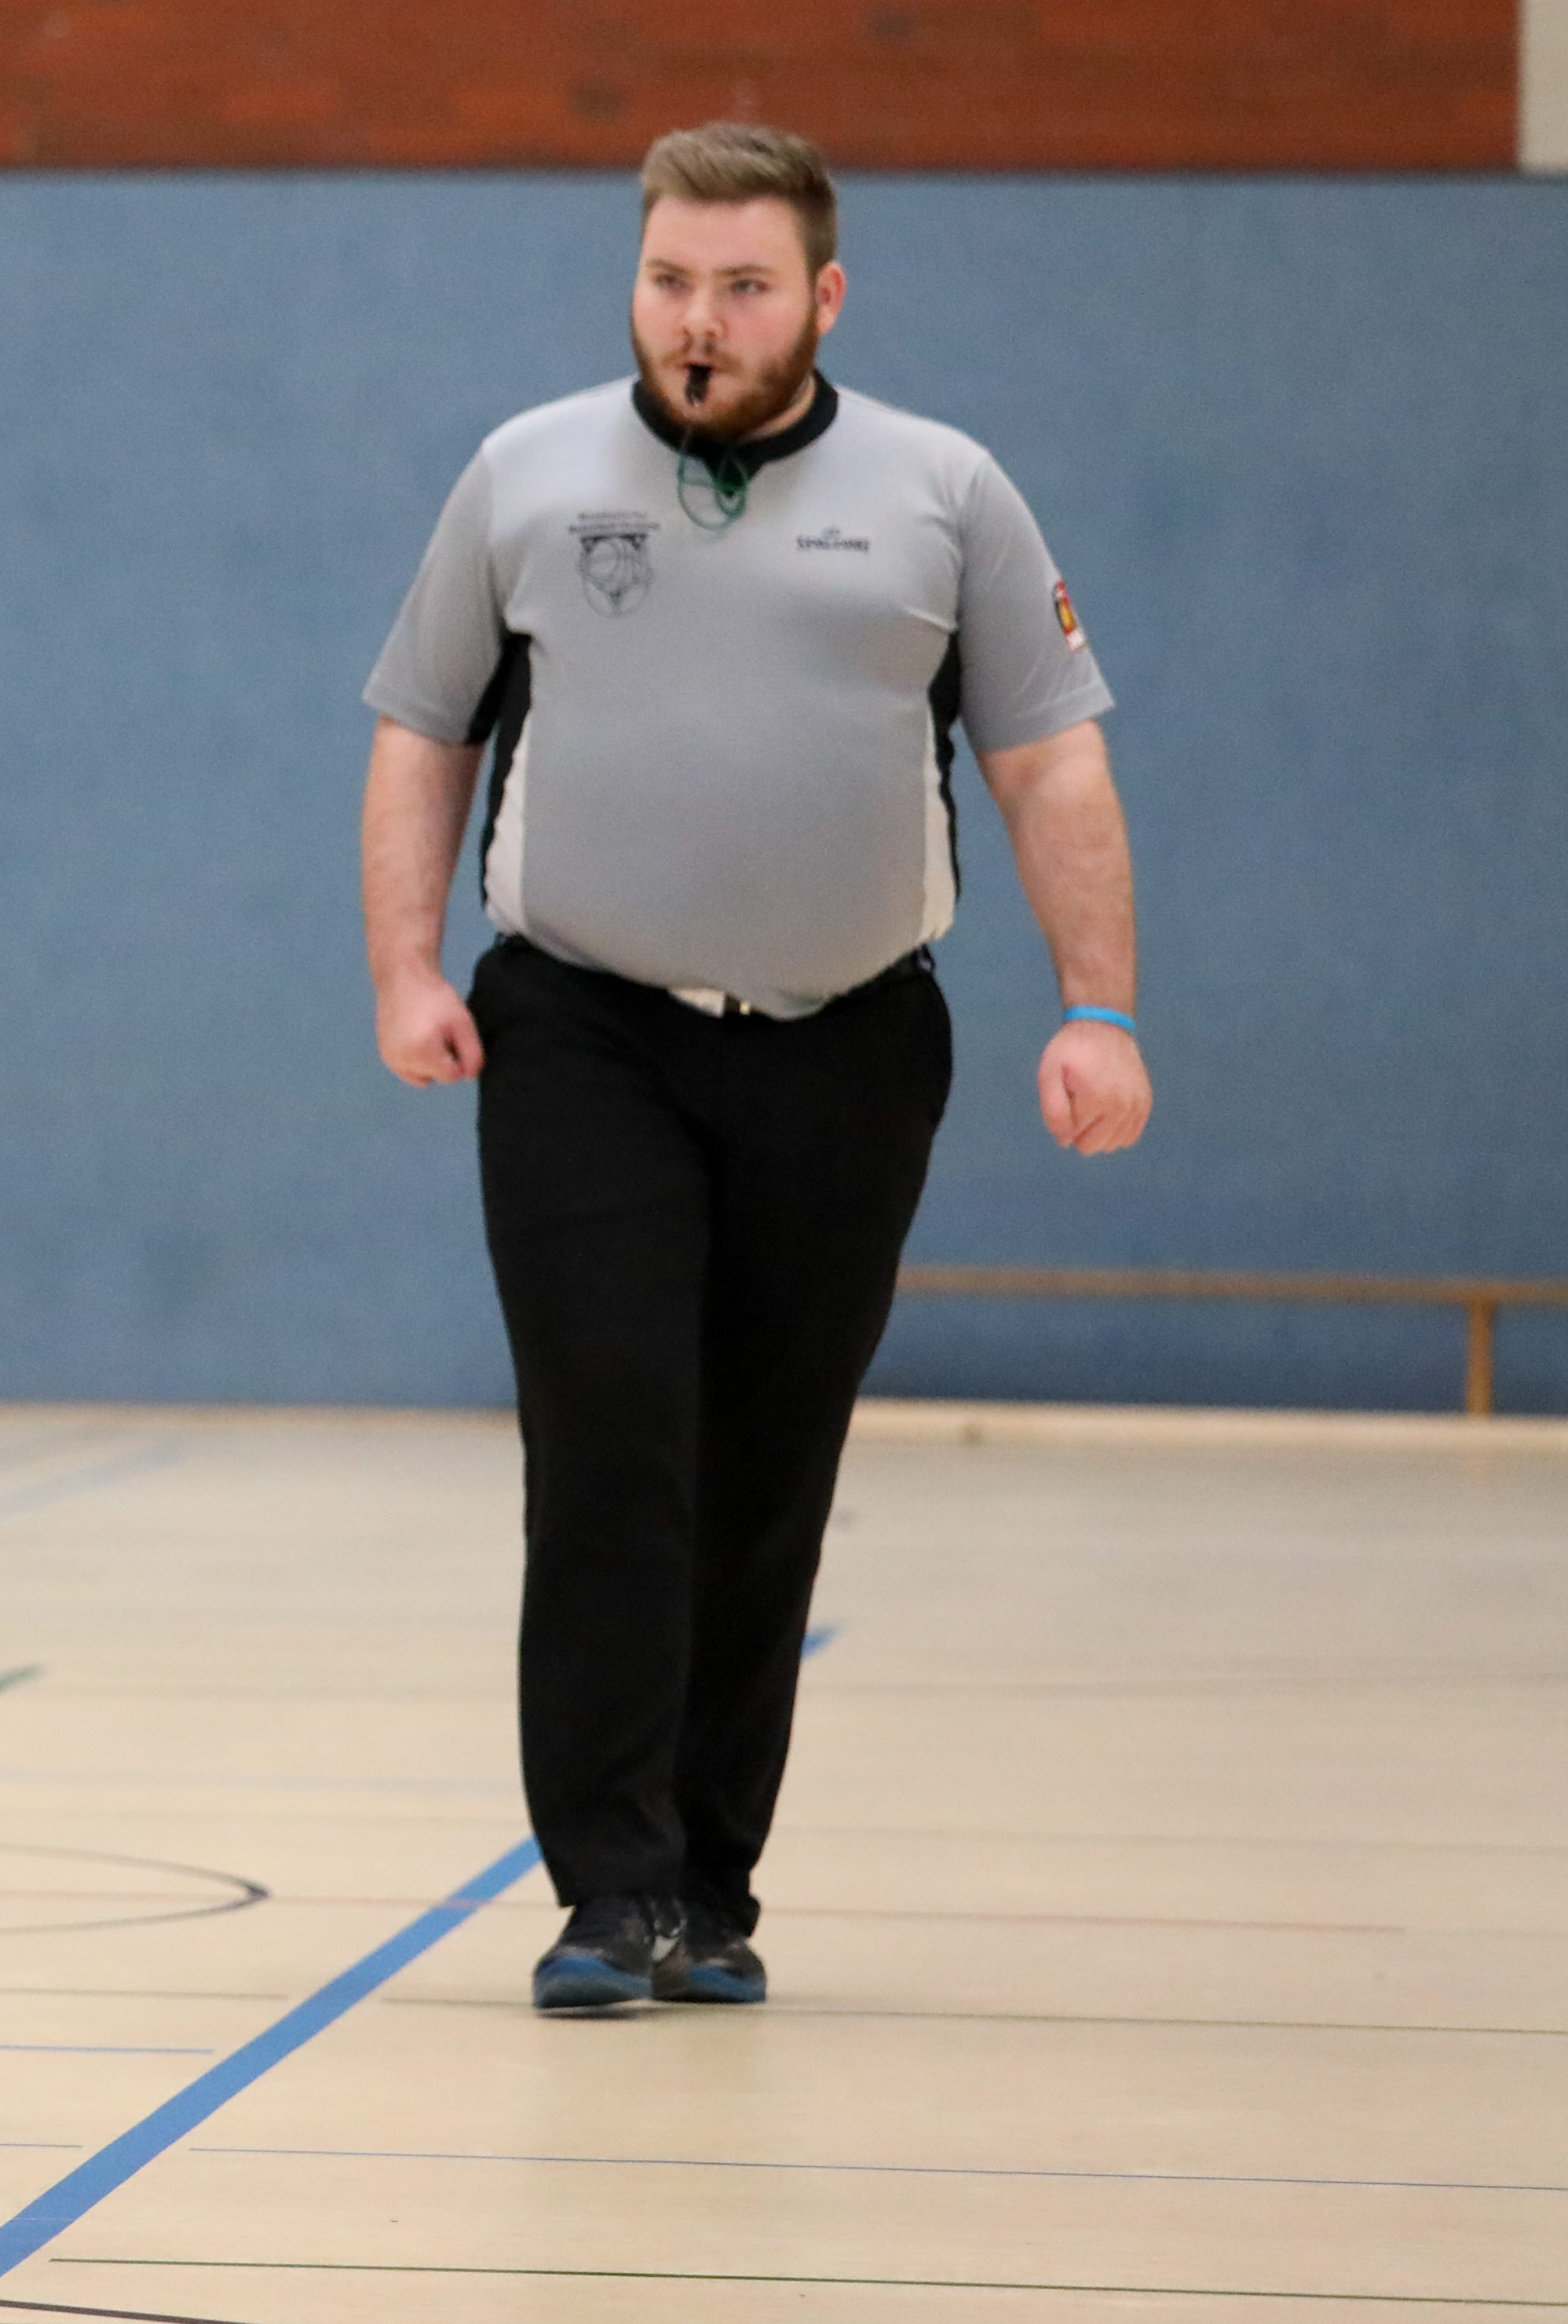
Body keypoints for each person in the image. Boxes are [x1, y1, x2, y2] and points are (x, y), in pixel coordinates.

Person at [357, 123, 1153, 2012]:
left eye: (738, 286)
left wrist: (1097, 1005)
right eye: (665, 282)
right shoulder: (524, 475)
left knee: (766, 1457)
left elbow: (1047, 758)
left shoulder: (944, 491)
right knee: (609, 1433)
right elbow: (418, 729)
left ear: (821, 296)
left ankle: (709, 1885)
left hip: (848, 1043)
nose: (694, 322)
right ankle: (605, 1887)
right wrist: (402, 970)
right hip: (582, 1031)